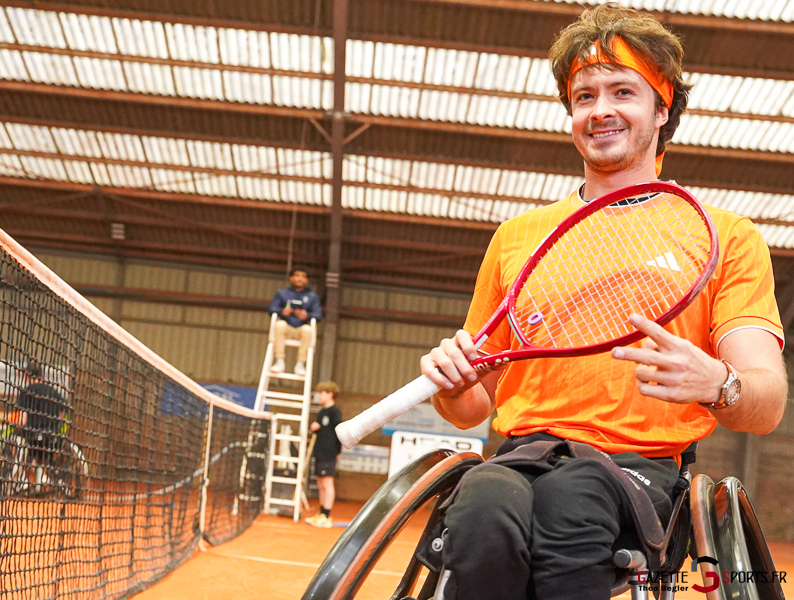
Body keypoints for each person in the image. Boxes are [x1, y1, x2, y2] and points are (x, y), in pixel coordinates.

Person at [419, 5, 787, 600]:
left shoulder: (727, 238)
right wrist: (452, 382)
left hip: (636, 470)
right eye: (584, 95)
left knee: (576, 497)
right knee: (481, 508)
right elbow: (469, 408)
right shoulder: (518, 238)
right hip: (519, 458)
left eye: (623, 91)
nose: (602, 109)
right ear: (571, 113)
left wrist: (718, 381)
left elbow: (765, 404)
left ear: (662, 109)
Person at [15, 361, 66, 491]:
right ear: (42, 376)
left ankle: (22, 480)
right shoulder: (54, 392)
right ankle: (44, 477)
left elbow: (22, 420)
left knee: (15, 440)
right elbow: (61, 415)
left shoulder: (27, 392)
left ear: (26, 376)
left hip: (33, 437)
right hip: (53, 437)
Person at [268, 266, 323, 376]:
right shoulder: (282, 294)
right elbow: (271, 308)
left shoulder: (312, 297)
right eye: (297, 275)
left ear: (307, 280)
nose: (299, 279)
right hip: (286, 326)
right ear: (291, 278)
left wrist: (306, 315)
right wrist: (282, 312)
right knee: (279, 325)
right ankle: (279, 362)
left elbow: (319, 314)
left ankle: (300, 364)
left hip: (301, 328)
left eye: (303, 276)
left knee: (308, 330)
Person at [305, 381, 343, 528]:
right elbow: (322, 430)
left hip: (329, 452)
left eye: (322, 393)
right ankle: (321, 513)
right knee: (321, 483)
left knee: (327, 483)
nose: (319, 396)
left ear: (330, 394)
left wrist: (338, 450)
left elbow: (338, 432)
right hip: (319, 451)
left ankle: (326, 516)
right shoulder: (322, 412)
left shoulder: (335, 412)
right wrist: (315, 428)